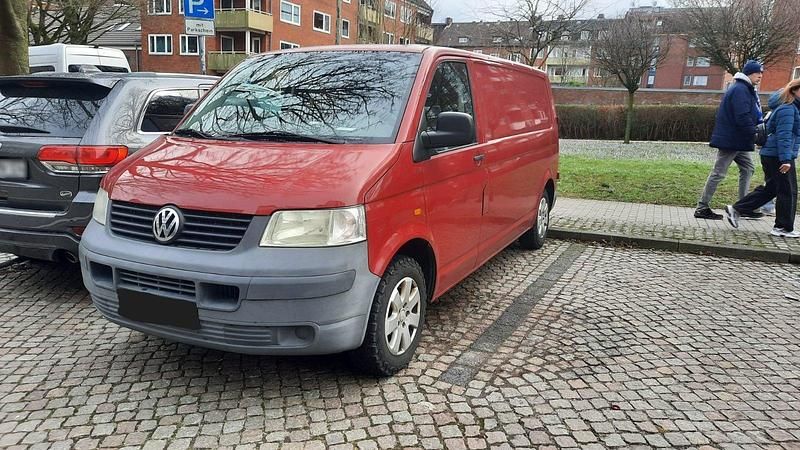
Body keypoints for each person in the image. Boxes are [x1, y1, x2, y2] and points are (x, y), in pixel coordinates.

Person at [725, 79, 800, 237]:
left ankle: (737, 209)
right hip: (779, 156)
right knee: (788, 191)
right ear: (795, 90)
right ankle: (783, 227)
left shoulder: (789, 107)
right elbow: (784, 136)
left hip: (773, 154)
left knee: (771, 189)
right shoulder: (788, 109)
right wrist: (786, 160)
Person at [695, 60, 765, 220]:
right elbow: (742, 116)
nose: (760, 75)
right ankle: (702, 207)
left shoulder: (744, 89)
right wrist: (755, 133)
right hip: (732, 139)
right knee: (718, 172)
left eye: (761, 73)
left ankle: (743, 206)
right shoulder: (741, 90)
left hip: (738, 139)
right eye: (757, 72)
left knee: (748, 168)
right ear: (748, 73)